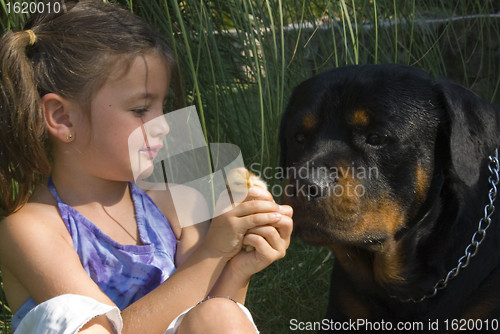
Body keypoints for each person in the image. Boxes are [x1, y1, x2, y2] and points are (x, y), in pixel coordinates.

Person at [0, 1, 293, 333]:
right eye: (140, 109)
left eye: (162, 104)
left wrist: (239, 264)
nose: (164, 125)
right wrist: (213, 250)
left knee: (219, 314)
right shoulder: (32, 229)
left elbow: (213, 314)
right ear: (62, 117)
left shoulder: (174, 203)